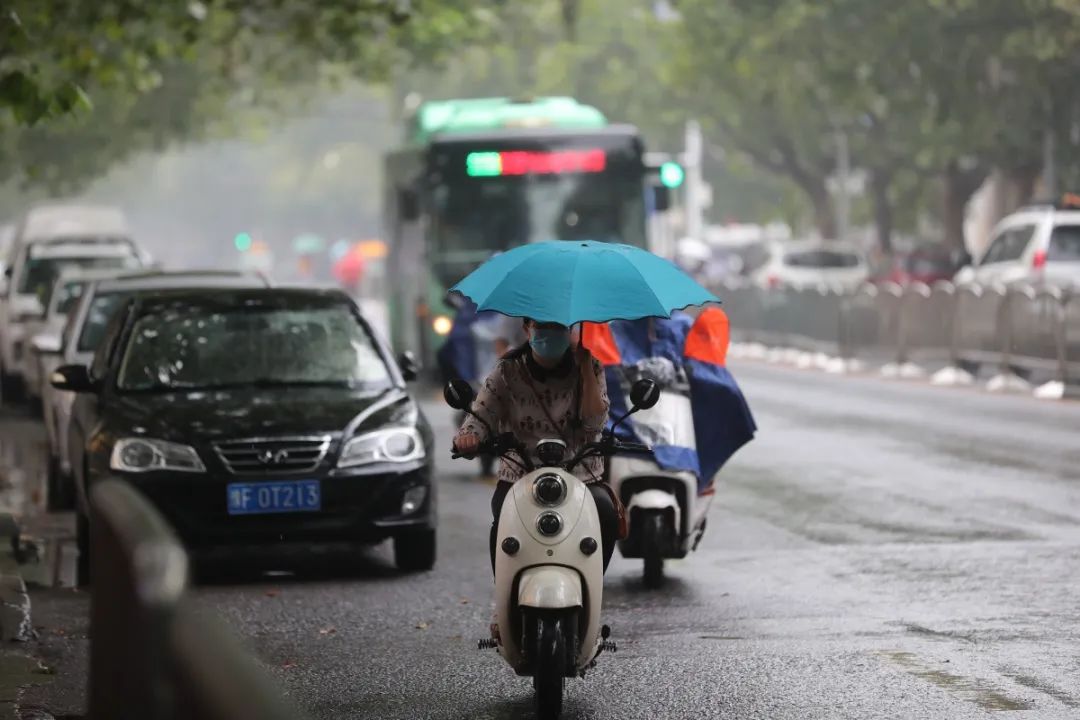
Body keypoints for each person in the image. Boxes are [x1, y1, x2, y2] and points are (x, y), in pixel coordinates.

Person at [454, 319, 620, 574]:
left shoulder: (591, 367)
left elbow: (594, 424)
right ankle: (506, 597)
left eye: (558, 327)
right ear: (527, 329)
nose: (549, 334)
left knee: (606, 513)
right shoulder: (507, 370)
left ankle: (592, 585)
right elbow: (481, 415)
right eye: (542, 326)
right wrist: (468, 437)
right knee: (503, 522)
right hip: (520, 474)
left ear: (570, 331)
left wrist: (586, 368)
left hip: (581, 475)